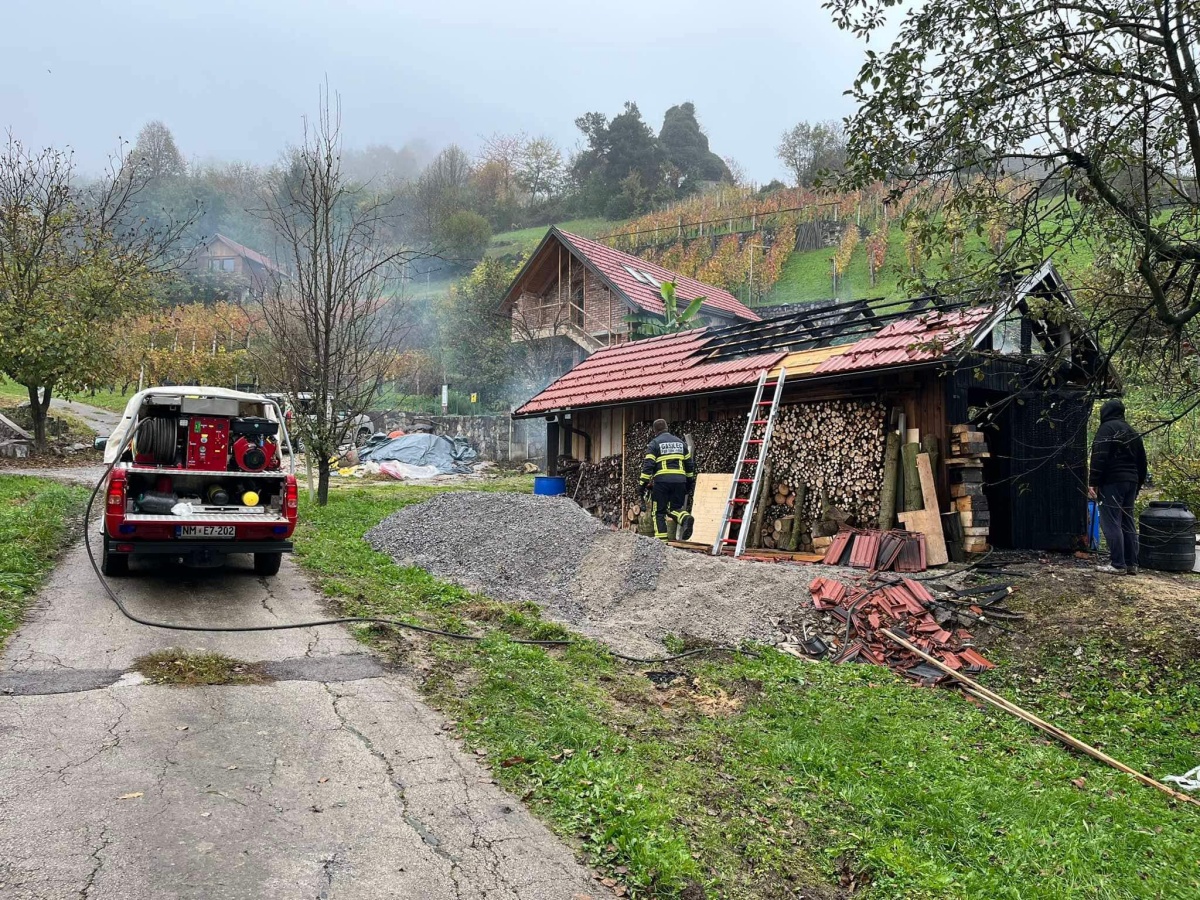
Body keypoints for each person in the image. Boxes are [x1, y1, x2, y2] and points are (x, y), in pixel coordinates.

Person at [1088, 398, 1147, 574]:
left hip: (1112, 481)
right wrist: (1138, 484)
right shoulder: (1132, 431)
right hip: (1131, 481)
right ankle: (1131, 564)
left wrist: (1093, 482)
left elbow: (1099, 456)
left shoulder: (1107, 429)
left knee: (1111, 521)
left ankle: (1117, 564)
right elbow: (1142, 462)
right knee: (1127, 522)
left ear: (1104, 413)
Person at [640, 419, 696, 541]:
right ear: (667, 427)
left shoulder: (654, 444)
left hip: (662, 482)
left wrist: (642, 485)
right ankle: (686, 518)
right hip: (680, 481)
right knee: (674, 509)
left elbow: (648, 466)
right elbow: (689, 465)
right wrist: (689, 483)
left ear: (655, 431)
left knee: (659, 512)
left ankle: (661, 544)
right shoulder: (681, 443)